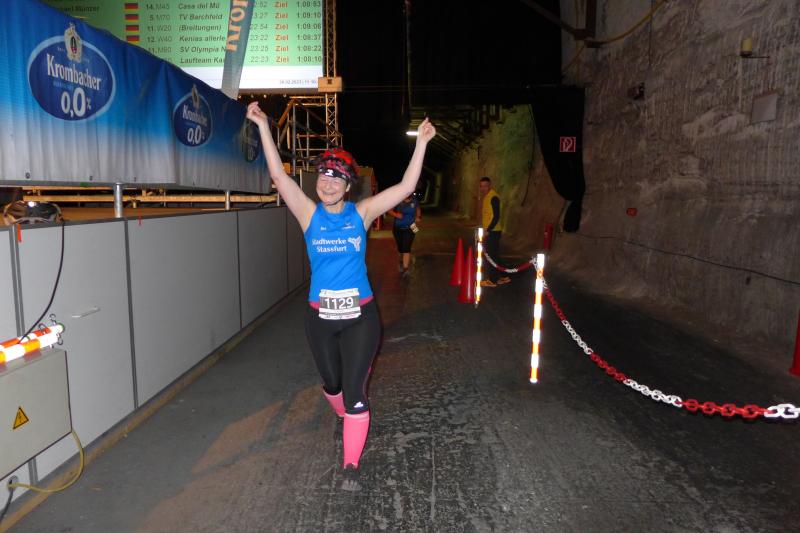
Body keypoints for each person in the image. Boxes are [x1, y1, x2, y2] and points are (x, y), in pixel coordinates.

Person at [246, 101, 436, 490]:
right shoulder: (308, 214)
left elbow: (405, 188)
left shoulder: (361, 213)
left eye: (337, 178)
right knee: (331, 384)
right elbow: (279, 177)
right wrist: (263, 126)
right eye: (324, 176)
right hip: (320, 320)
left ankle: (350, 464)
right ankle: (342, 412)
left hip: (360, 318)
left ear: (349, 186)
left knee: (354, 393)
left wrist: (421, 143)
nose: (328, 183)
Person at [479, 176, 510, 287]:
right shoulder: (487, 197)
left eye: (485, 186)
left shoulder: (493, 197)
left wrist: (488, 230)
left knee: (490, 256)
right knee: (494, 255)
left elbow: (496, 216)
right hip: (492, 231)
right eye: (481, 186)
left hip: (493, 231)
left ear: (490, 185)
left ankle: (492, 280)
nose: (483, 188)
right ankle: (503, 276)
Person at [387, 193, 421, 278]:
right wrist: (396, 215)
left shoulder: (414, 200)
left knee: (407, 247)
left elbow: (418, 209)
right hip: (398, 228)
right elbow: (389, 210)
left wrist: (418, 216)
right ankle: (401, 260)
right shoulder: (398, 200)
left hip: (412, 227)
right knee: (400, 248)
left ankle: (406, 269)